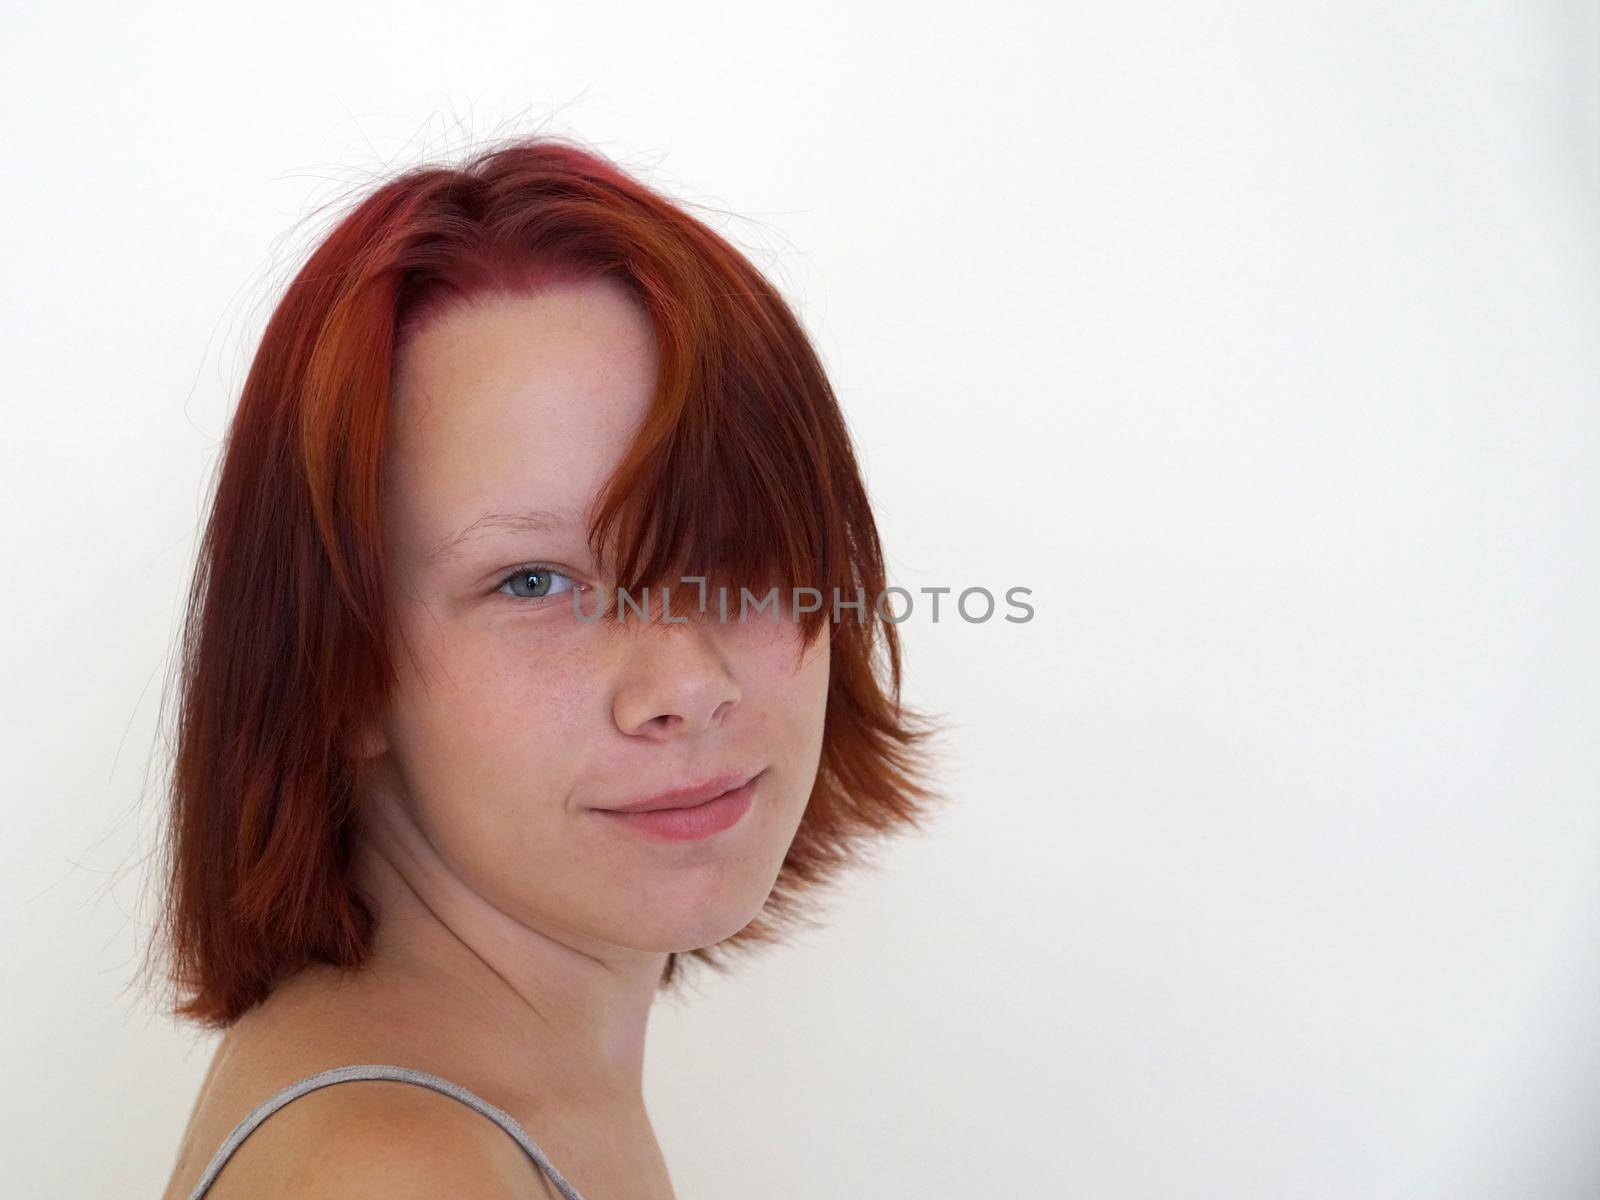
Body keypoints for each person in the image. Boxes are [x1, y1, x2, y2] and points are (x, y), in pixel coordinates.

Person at [147, 134, 945, 1199]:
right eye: (533, 582)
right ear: (340, 665)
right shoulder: (399, 1173)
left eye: (740, 551)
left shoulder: (491, 1103)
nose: (688, 684)